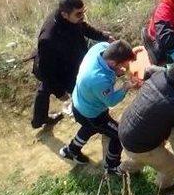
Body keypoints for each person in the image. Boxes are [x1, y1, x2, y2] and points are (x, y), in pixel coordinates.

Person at [31, 0, 113, 129]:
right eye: (78, 14)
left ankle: (39, 120)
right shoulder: (48, 38)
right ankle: (94, 121)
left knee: (45, 89)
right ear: (64, 14)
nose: (82, 16)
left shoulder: (70, 18)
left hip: (71, 60)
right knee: (77, 90)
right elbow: (47, 72)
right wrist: (60, 93)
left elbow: (83, 27)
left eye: (83, 12)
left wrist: (104, 37)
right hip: (57, 68)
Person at [118, 60, 174, 192]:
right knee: (171, 165)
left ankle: (124, 170)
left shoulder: (158, 76)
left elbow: (149, 69)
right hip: (140, 145)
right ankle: (165, 188)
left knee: (141, 156)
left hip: (125, 127)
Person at [59, 40, 138, 175]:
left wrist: (120, 69)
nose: (125, 68)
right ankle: (111, 166)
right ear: (113, 63)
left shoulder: (101, 47)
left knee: (89, 128)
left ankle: (71, 150)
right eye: (123, 66)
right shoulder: (98, 79)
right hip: (93, 114)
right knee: (119, 135)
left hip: (79, 104)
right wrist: (125, 87)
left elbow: (113, 70)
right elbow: (111, 101)